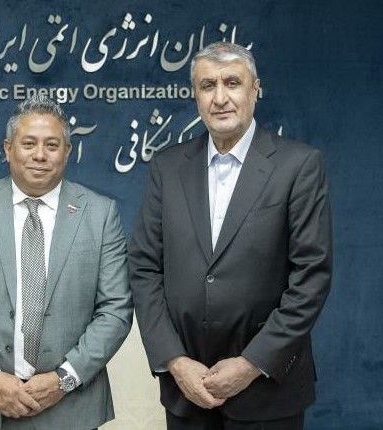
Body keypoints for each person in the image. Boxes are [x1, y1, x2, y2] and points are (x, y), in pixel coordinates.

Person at [128, 42, 332, 429]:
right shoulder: (167, 168)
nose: (220, 98)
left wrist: (252, 363)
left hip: (268, 391)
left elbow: (311, 277)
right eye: (208, 86)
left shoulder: (299, 165)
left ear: (255, 89)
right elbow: (143, 268)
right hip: (187, 390)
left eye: (232, 83)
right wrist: (175, 361)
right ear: (195, 95)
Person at [0, 95, 133, 430]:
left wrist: (64, 379)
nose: (40, 154)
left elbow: (116, 309)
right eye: (28, 143)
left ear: (67, 152)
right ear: (8, 149)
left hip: (69, 409)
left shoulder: (100, 214)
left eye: (52, 145)